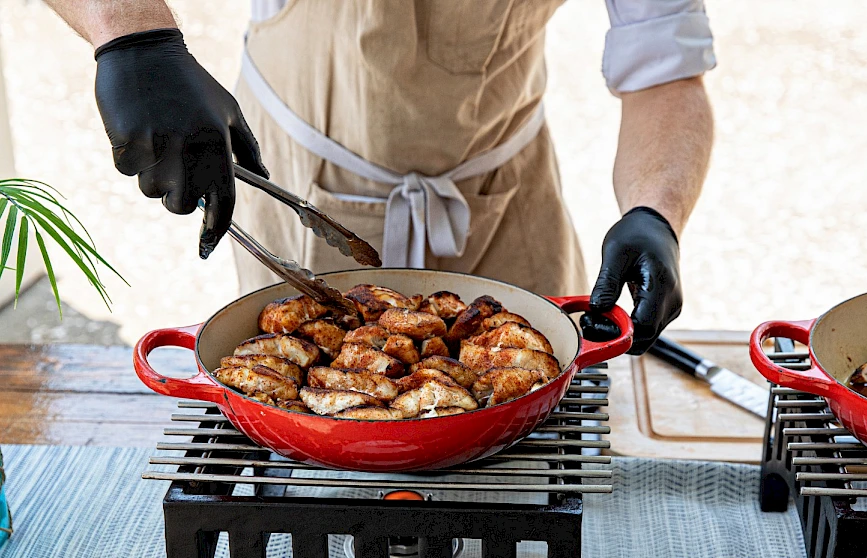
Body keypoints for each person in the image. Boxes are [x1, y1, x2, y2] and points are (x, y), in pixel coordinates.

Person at [45, 1, 715, 354]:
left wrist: (654, 212)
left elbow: (666, 69)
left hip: (502, 209)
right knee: (307, 430)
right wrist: (132, 39)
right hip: (300, 195)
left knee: (516, 428)